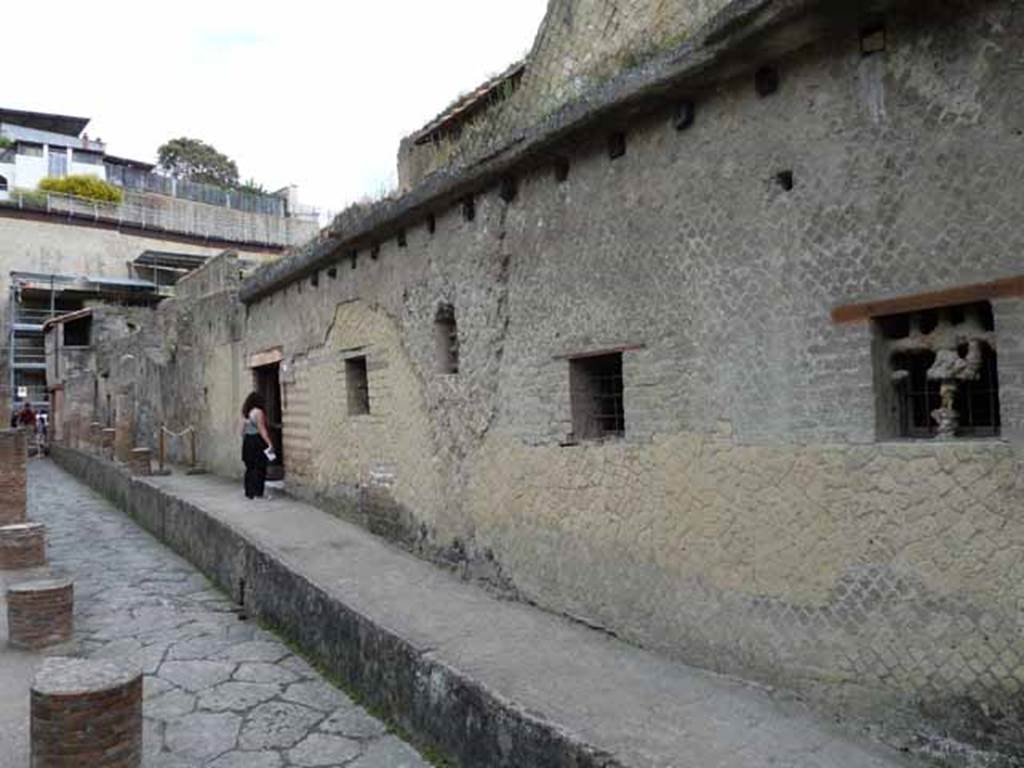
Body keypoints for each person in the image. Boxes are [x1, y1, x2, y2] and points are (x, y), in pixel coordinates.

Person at [240, 392, 275, 499]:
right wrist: (269, 443)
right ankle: (258, 492)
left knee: (249, 467)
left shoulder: (246, 413)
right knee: (259, 467)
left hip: (247, 441)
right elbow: (262, 429)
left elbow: (241, 431)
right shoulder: (258, 412)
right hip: (257, 441)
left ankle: (249, 491)